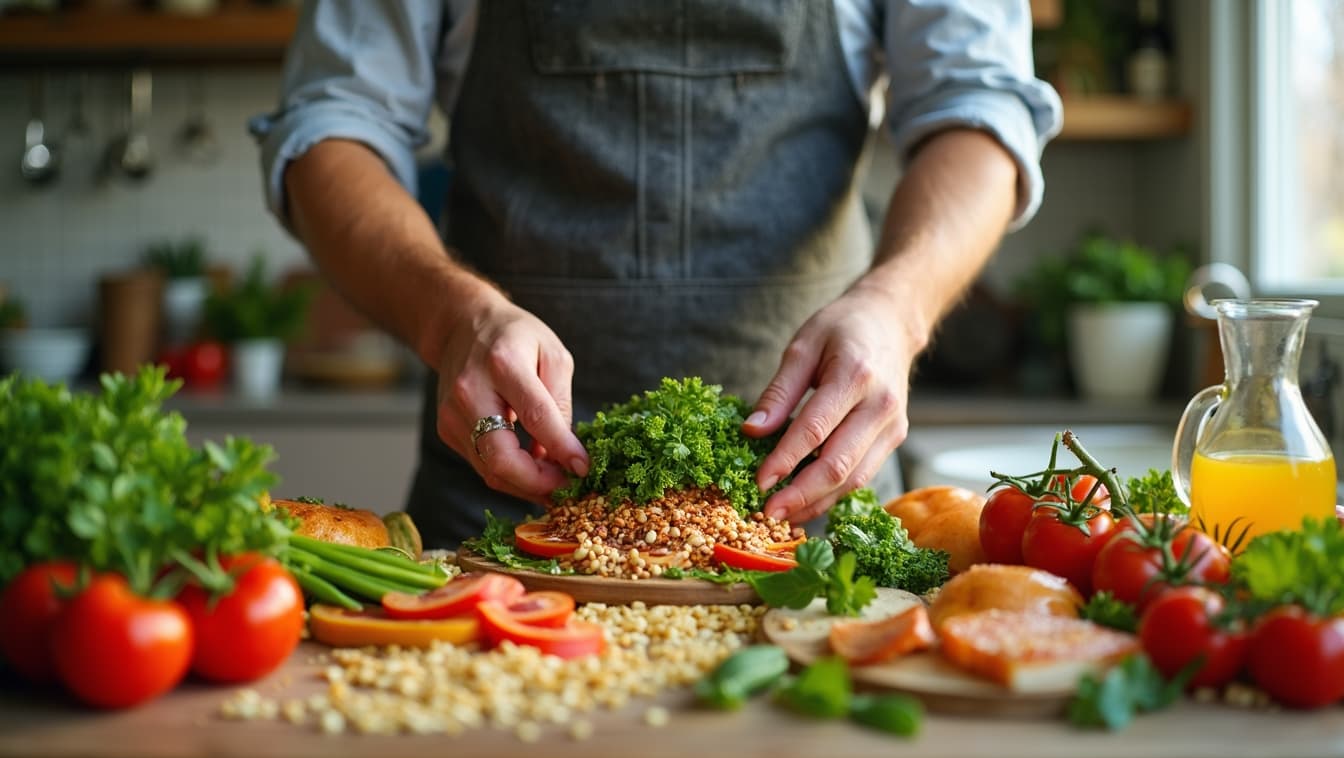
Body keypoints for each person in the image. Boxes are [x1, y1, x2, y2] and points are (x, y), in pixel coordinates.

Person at [252, 0, 1062, 549]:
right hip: (499, 524)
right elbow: (333, 123)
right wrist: (448, 315)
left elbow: (978, 107)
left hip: (807, 518)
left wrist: (897, 309)